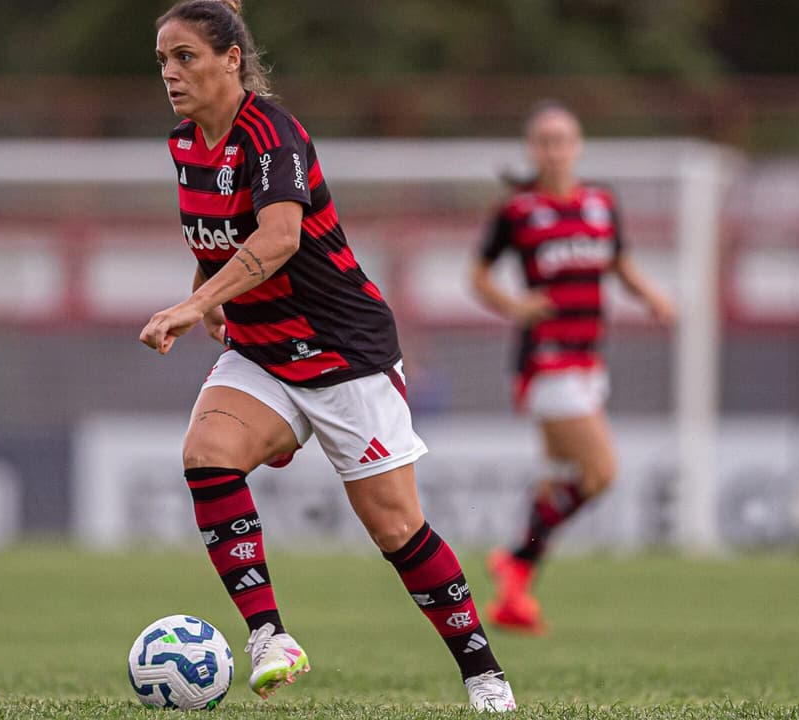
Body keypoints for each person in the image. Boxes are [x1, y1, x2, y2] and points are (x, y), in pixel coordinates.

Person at [140, 0, 516, 711]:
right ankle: (269, 638)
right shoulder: (184, 145)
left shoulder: (274, 135)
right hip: (262, 353)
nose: (170, 73)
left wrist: (192, 307)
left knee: (396, 528)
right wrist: (208, 296)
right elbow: (217, 238)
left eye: (184, 56)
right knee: (207, 453)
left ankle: (483, 673)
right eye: (162, 59)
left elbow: (279, 238)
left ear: (231, 59)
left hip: (344, 350)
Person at [470, 101, 676, 634]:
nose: (555, 150)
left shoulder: (602, 203)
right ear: (532, 149)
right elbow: (479, 275)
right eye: (545, 141)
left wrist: (651, 296)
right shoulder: (518, 211)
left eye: (563, 139)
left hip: (589, 359)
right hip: (546, 358)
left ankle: (515, 589)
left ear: (577, 146)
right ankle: (516, 557)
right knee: (601, 473)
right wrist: (516, 307)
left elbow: (618, 262)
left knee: (557, 483)